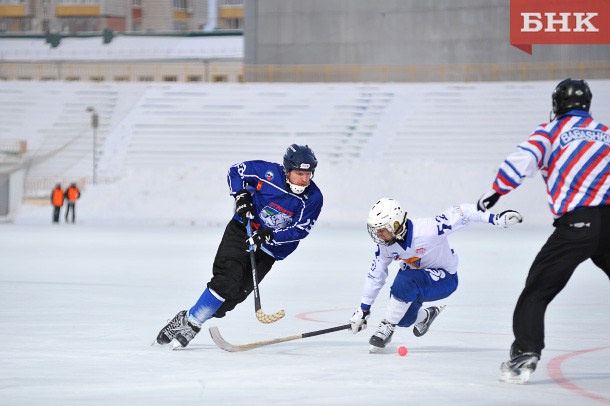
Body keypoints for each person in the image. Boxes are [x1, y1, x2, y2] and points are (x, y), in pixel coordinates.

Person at [477, 78, 610, 384]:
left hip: (576, 224)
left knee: (537, 290)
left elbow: (521, 161)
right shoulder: (604, 133)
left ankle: (525, 352)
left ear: (557, 104)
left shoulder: (551, 131)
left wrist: (497, 191)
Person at [156, 144, 324, 349]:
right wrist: (241, 196)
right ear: (287, 169)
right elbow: (235, 171)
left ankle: (186, 317)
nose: (305, 180)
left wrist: (269, 235)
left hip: (269, 249)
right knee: (227, 281)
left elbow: (300, 231)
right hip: (242, 231)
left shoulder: (313, 198)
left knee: (232, 299)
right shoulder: (267, 173)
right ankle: (192, 324)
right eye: (299, 173)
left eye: (309, 174)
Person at [349, 198, 523, 352]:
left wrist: (495, 219)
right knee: (403, 318)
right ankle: (426, 316)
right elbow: (376, 274)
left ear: (396, 225)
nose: (378, 235)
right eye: (376, 230)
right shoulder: (386, 246)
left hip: (446, 278)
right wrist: (363, 309)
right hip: (417, 279)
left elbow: (464, 212)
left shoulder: (429, 229)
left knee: (404, 281)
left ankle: (386, 327)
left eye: (382, 230)